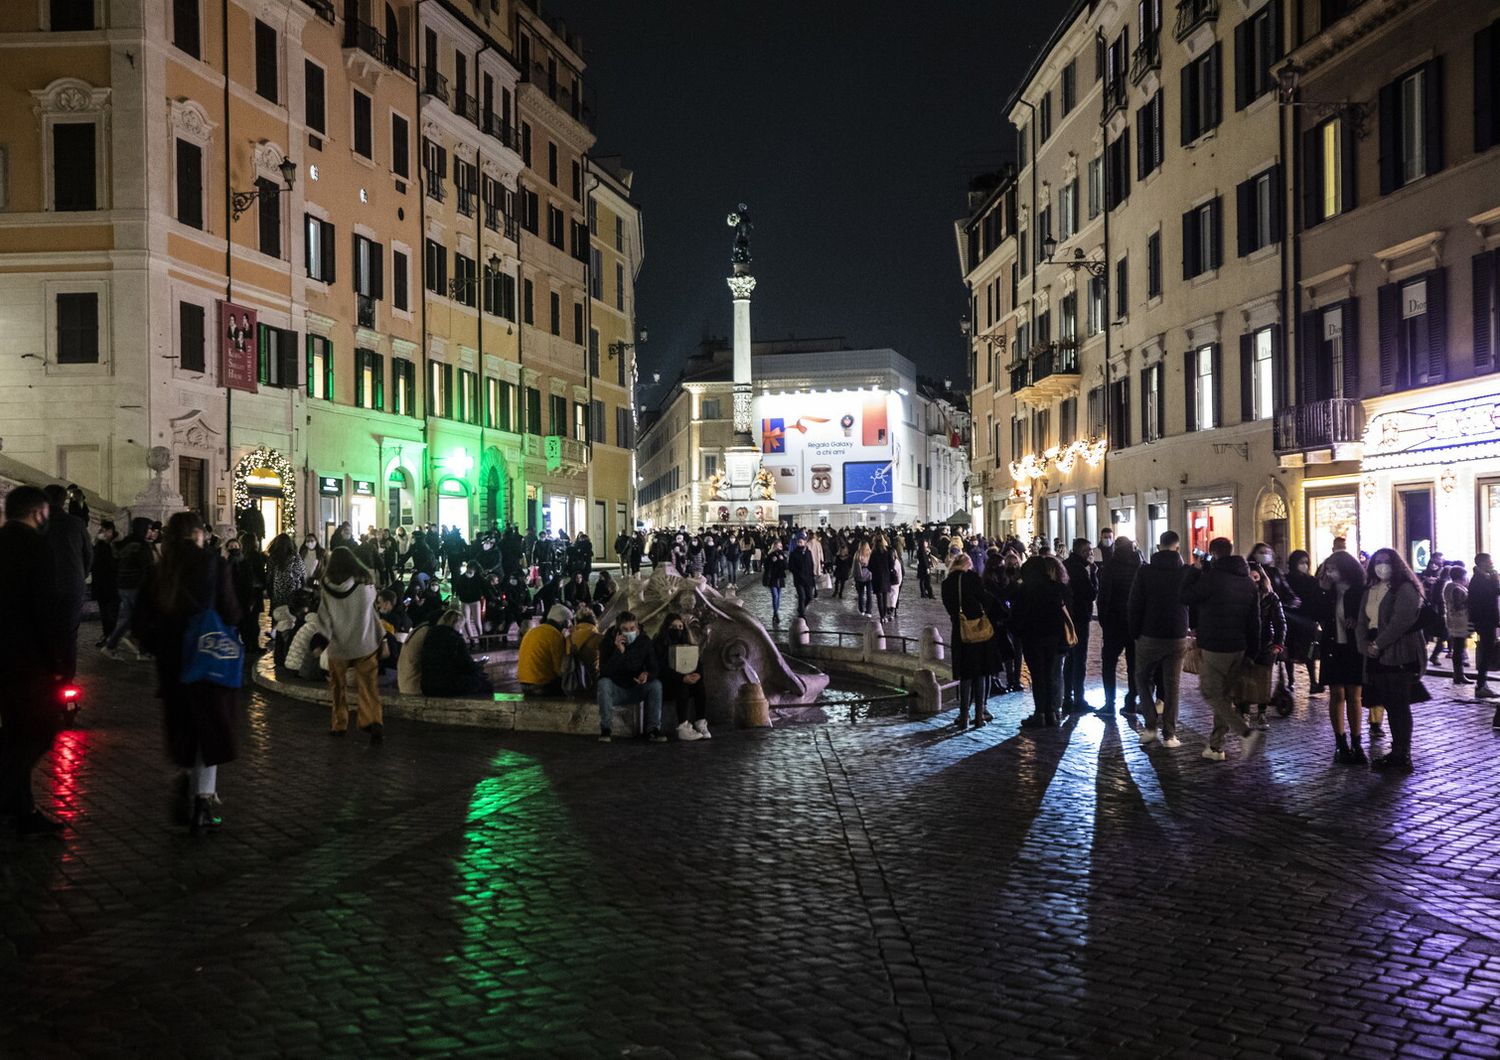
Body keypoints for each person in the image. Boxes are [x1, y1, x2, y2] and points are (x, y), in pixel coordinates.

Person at [132, 511, 242, 834]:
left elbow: (140, 622)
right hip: (207, 659)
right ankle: (203, 803)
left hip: (172, 662)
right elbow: (232, 611)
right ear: (197, 534)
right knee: (210, 728)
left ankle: (184, 779)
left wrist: (157, 644)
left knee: (183, 726)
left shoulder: (159, 570)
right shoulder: (213, 565)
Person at [0, 487, 67, 837]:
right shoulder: (37, 548)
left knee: (14, 731)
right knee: (38, 731)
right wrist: (55, 660)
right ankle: (10, 798)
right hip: (27, 658)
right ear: (37, 513)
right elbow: (44, 608)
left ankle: (22, 809)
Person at [1181, 537, 1265, 763]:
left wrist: (1195, 570)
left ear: (1214, 554)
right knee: (1223, 697)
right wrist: (1251, 653)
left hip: (1216, 647)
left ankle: (1245, 732)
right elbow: (1254, 622)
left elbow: (1185, 596)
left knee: (1210, 692)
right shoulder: (1248, 582)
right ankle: (1216, 746)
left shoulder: (1212, 579)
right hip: (1239, 647)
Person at [1357, 548, 1426, 772]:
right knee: (1388, 701)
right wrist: (1364, 646)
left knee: (1398, 704)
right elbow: (1362, 620)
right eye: (1378, 562)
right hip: (1376, 651)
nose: (1382, 566)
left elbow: (1401, 622)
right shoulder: (1371, 588)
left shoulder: (1404, 588)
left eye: (1386, 561)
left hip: (1399, 651)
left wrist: (1379, 644)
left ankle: (1402, 753)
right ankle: (1396, 752)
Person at [1129, 531, 1190, 747]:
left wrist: (1135, 632)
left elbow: (1135, 604)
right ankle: (1170, 734)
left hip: (1150, 633)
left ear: (1158, 546)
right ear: (1178, 547)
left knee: (1142, 678)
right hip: (1177, 635)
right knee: (1172, 685)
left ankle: (1151, 725)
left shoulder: (1145, 571)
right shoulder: (1185, 571)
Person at [319, 547, 384, 743]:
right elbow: (372, 609)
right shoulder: (366, 586)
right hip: (365, 643)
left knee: (338, 687)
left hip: (339, 646)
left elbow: (324, 617)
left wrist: (320, 640)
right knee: (369, 685)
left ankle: (339, 724)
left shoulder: (327, 588)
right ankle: (372, 719)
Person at [941, 552, 1005, 729]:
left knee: (965, 675)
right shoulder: (972, 579)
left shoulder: (946, 584)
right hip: (978, 631)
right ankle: (979, 717)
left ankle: (963, 716)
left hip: (960, 632)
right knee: (981, 674)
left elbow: (949, 608)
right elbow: (986, 600)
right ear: (968, 564)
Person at [1317, 549, 1368, 764]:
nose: (1330, 573)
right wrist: (1323, 591)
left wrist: (1357, 621)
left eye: (1334, 569)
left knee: (1354, 695)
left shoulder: (1359, 589)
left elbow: (1367, 614)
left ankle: (1357, 742)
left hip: (1353, 647)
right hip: (1332, 646)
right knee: (1336, 694)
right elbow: (1316, 614)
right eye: (1328, 569)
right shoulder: (1326, 591)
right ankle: (1340, 743)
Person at [1010, 555, 1071, 728]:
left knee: (1038, 676)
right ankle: (1051, 712)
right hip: (1053, 637)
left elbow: (1017, 615)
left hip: (1032, 637)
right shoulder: (1057, 588)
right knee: (1050, 674)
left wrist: (1018, 631)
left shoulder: (1026, 590)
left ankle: (1041, 713)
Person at [42, 483, 92, 681]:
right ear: (64, 500)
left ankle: (47, 674)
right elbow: (88, 555)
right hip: (72, 586)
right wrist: (80, 575)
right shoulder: (76, 523)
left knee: (44, 632)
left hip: (44, 588)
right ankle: (67, 677)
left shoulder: (37, 524)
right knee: (69, 634)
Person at [1234, 561, 1287, 732]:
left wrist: (1278, 644)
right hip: (1244, 643)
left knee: (1262, 680)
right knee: (1244, 679)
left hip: (1266, 644)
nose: (1253, 582)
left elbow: (1280, 622)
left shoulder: (1270, 597)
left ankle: (1262, 712)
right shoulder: (1239, 595)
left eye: (1256, 578)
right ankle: (1245, 712)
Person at [596, 611, 663, 742]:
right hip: (616, 690)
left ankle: (653, 730)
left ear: (637, 628)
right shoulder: (607, 642)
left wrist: (646, 675)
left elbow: (654, 668)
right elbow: (604, 671)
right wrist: (619, 652)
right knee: (603, 683)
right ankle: (606, 730)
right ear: (618, 630)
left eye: (632, 629)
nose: (629, 632)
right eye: (625, 629)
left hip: (637, 687)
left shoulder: (644, 641)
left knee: (656, 685)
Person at [1096, 537, 1142, 718]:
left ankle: (1109, 702)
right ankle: (1131, 700)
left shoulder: (1111, 566)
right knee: (1134, 664)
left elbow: (1104, 596)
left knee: (1109, 663)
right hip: (1134, 621)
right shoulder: (1140, 565)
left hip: (1115, 621)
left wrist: (1104, 620)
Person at [656, 612, 709, 741]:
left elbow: (697, 662)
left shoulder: (687, 643)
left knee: (700, 687)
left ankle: (700, 721)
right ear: (667, 627)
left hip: (686, 679)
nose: (678, 630)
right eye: (674, 627)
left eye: (680, 627)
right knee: (682, 687)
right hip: (666, 684)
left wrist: (698, 675)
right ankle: (683, 727)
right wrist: (681, 678)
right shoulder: (658, 644)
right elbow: (660, 668)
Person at [1061, 539, 1098, 714]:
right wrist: (1093, 574)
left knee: (1069, 658)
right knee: (1079, 659)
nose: (1091, 553)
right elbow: (1091, 593)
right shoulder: (1082, 569)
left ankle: (1067, 696)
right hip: (1080, 618)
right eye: (1089, 550)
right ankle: (1079, 698)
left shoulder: (1065, 565)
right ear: (1082, 552)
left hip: (1068, 616)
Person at [420, 611, 492, 697]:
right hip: (446, 686)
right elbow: (467, 665)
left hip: (427, 685)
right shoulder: (455, 639)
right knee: (484, 682)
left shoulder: (430, 635)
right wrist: (480, 665)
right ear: (457, 624)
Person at [1285, 550, 1325, 694]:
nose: (1304, 565)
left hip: (1307, 620)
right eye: (1301, 562)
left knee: (1309, 652)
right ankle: (1290, 681)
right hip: (1290, 620)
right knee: (1289, 651)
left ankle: (1313, 681)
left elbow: (1317, 600)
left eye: (1306, 562)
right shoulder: (1286, 579)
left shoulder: (1312, 581)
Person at [518, 604, 573, 696]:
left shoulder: (533, 631)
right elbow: (559, 669)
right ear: (563, 622)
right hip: (541, 685)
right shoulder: (554, 634)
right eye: (569, 621)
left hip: (523, 682)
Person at [1471, 553, 1500, 705]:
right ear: (1482, 563)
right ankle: (1481, 685)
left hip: (1488, 620)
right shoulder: (1479, 579)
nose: (1492, 563)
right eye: (1489, 561)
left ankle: (1482, 684)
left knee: (1488, 650)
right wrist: (1495, 581)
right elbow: (1488, 596)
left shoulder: (1485, 577)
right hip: (1485, 621)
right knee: (1487, 650)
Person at [90, 519, 119, 646]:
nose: (103, 533)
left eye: (105, 530)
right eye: (101, 530)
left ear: (111, 531)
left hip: (113, 584)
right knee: (105, 612)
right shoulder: (99, 546)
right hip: (101, 583)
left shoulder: (116, 545)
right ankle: (108, 635)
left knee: (112, 613)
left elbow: (114, 564)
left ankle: (112, 636)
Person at [1442, 562, 1472, 685]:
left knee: (1458, 648)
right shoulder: (1457, 588)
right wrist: (1469, 600)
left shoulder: (1448, 587)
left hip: (1453, 620)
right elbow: (1458, 605)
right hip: (1460, 621)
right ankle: (1459, 675)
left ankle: (1459, 674)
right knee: (1459, 649)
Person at [265, 533, 305, 612]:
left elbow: (269, 576)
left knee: (278, 616)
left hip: (277, 593)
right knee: (292, 617)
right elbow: (302, 573)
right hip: (293, 592)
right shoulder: (295, 556)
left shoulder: (273, 557)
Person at [570, 605, 604, 689]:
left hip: (572, 680)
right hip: (592, 681)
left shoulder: (569, 636)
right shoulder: (598, 637)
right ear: (594, 621)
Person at [789, 532, 817, 618]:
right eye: (798, 542)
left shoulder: (808, 552)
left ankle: (801, 608)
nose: (800, 543)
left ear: (805, 542)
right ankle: (801, 614)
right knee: (802, 597)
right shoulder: (793, 554)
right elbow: (791, 567)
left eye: (801, 542)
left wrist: (813, 576)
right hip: (799, 580)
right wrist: (797, 573)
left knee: (809, 597)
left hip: (808, 579)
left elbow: (811, 564)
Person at [762, 539, 788, 624]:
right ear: (774, 546)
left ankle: (775, 613)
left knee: (778, 597)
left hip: (780, 578)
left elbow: (786, 567)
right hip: (772, 578)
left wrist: (782, 559)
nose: (779, 548)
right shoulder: (770, 555)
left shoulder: (783, 555)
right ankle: (776, 613)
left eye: (780, 546)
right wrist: (771, 561)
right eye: (778, 546)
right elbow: (766, 567)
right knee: (775, 596)